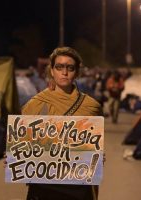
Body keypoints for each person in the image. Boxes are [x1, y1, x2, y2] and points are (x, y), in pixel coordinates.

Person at [22, 47, 102, 200]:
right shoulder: (36, 104)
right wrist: (14, 157)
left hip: (78, 185)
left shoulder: (91, 106)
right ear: (52, 70)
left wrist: (98, 155)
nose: (64, 72)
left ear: (77, 72)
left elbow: (95, 143)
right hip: (43, 185)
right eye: (59, 67)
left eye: (70, 68)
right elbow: (24, 142)